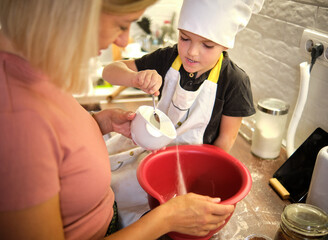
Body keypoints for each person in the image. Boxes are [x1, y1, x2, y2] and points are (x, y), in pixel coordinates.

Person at [0, 0, 234, 240]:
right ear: (71, 10)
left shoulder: (28, 64)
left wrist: (95, 123)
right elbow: (30, 141)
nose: (123, 41)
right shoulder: (11, 122)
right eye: (122, 24)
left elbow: (50, 141)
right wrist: (166, 219)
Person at [102, 0, 265, 228]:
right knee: (110, 191)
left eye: (207, 45)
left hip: (192, 169)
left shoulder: (234, 82)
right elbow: (108, 71)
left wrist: (198, 180)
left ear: (225, 45)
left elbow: (225, 141)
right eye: (184, 38)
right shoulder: (167, 59)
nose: (191, 51)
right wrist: (135, 79)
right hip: (149, 152)